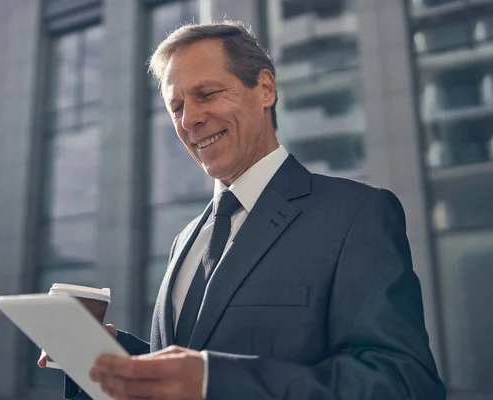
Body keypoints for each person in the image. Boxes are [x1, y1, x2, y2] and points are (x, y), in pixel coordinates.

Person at [40, 20, 445, 399]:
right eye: (176, 106)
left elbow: (401, 383)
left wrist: (214, 380)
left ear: (265, 89)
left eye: (207, 94)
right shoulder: (187, 239)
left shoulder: (355, 215)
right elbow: (196, 355)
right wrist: (115, 357)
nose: (190, 119)